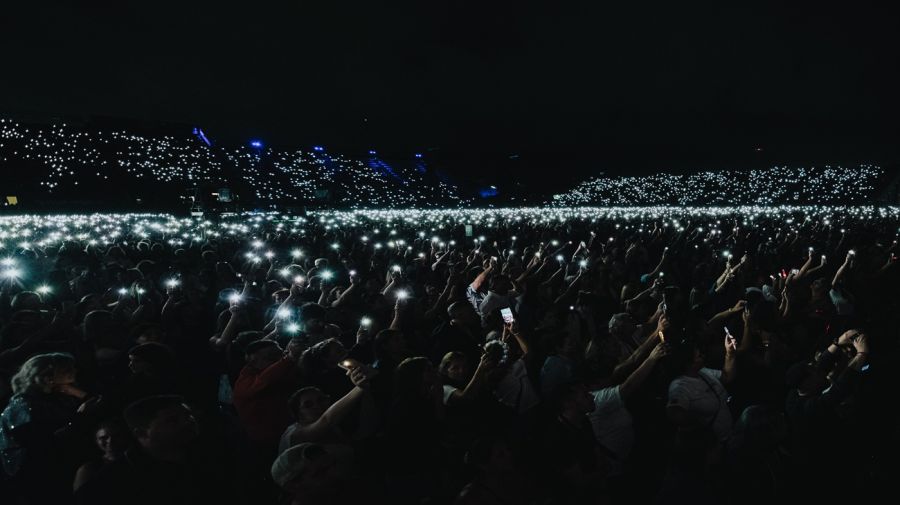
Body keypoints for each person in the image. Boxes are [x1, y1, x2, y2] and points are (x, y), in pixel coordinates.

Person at [1, 352, 95, 504]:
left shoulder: (57, 398)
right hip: (39, 476)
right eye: (67, 370)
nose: (74, 372)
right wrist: (80, 417)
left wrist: (79, 394)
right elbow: (40, 443)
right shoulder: (23, 405)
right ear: (47, 377)